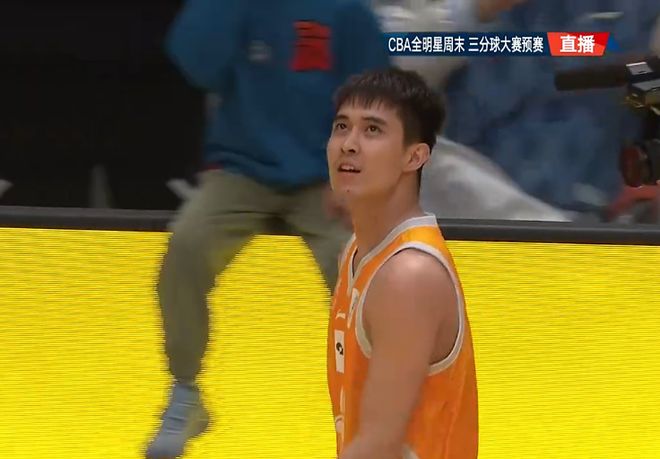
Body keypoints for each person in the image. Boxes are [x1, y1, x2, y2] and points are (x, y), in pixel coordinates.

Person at [144, 1, 390, 457]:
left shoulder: (346, 10)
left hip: (326, 174)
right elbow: (195, 64)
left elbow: (379, 100)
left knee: (358, 267)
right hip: (241, 170)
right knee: (186, 249)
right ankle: (186, 392)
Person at [326, 68, 478, 458]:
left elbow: (378, 446)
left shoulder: (408, 276)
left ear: (415, 156)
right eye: (342, 127)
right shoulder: (356, 251)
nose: (349, 144)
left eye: (372, 130)